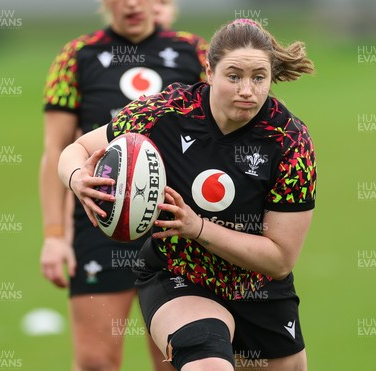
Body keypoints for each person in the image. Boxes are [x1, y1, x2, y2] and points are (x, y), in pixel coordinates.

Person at [58, 19, 316, 371]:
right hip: (179, 273)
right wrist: (77, 179)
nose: (247, 90)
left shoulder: (289, 141)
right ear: (209, 72)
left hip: (259, 287)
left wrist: (198, 228)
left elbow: (279, 259)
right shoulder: (167, 112)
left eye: (259, 77)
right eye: (234, 76)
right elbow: (76, 148)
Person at [39, 0, 207, 369]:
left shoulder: (194, 50)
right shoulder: (77, 55)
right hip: (101, 221)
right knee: (96, 361)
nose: (132, 3)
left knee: (174, 361)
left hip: (174, 224)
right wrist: (54, 234)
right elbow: (55, 150)